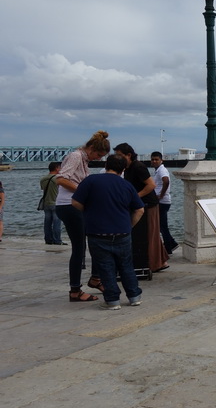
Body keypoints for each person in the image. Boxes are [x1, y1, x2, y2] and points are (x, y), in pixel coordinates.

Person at [72, 154, 145, 310]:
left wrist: (89, 211)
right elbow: (139, 209)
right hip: (122, 232)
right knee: (126, 266)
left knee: (105, 267)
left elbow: (75, 202)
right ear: (124, 168)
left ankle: (112, 301)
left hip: (97, 232)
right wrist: (129, 225)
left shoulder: (91, 181)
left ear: (106, 165)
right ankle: (134, 296)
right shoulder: (126, 185)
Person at [55, 130, 110, 302]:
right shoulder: (76, 156)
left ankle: (95, 278)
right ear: (92, 148)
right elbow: (61, 179)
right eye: (98, 154)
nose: (99, 159)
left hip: (75, 206)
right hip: (69, 205)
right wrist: (82, 192)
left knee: (96, 239)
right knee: (79, 248)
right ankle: (75, 290)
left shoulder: (83, 159)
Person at [114, 143, 169, 273]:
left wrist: (135, 197)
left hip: (148, 204)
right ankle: (159, 261)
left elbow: (151, 185)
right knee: (150, 233)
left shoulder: (138, 167)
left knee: (149, 233)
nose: (118, 158)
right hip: (141, 204)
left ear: (128, 155)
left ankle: (154, 263)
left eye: (120, 156)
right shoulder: (127, 168)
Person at [150, 152, 179, 254]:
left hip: (163, 201)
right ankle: (172, 243)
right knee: (161, 225)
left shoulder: (162, 170)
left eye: (156, 159)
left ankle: (168, 248)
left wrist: (161, 195)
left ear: (161, 160)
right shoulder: (158, 171)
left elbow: (166, 181)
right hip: (162, 201)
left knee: (162, 226)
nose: (154, 161)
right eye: (153, 159)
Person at [40, 162, 65, 245]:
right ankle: (57, 240)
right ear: (57, 168)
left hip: (46, 203)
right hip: (56, 202)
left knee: (47, 223)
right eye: (60, 167)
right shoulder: (58, 179)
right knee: (57, 223)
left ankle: (48, 240)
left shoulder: (43, 179)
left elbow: (43, 189)